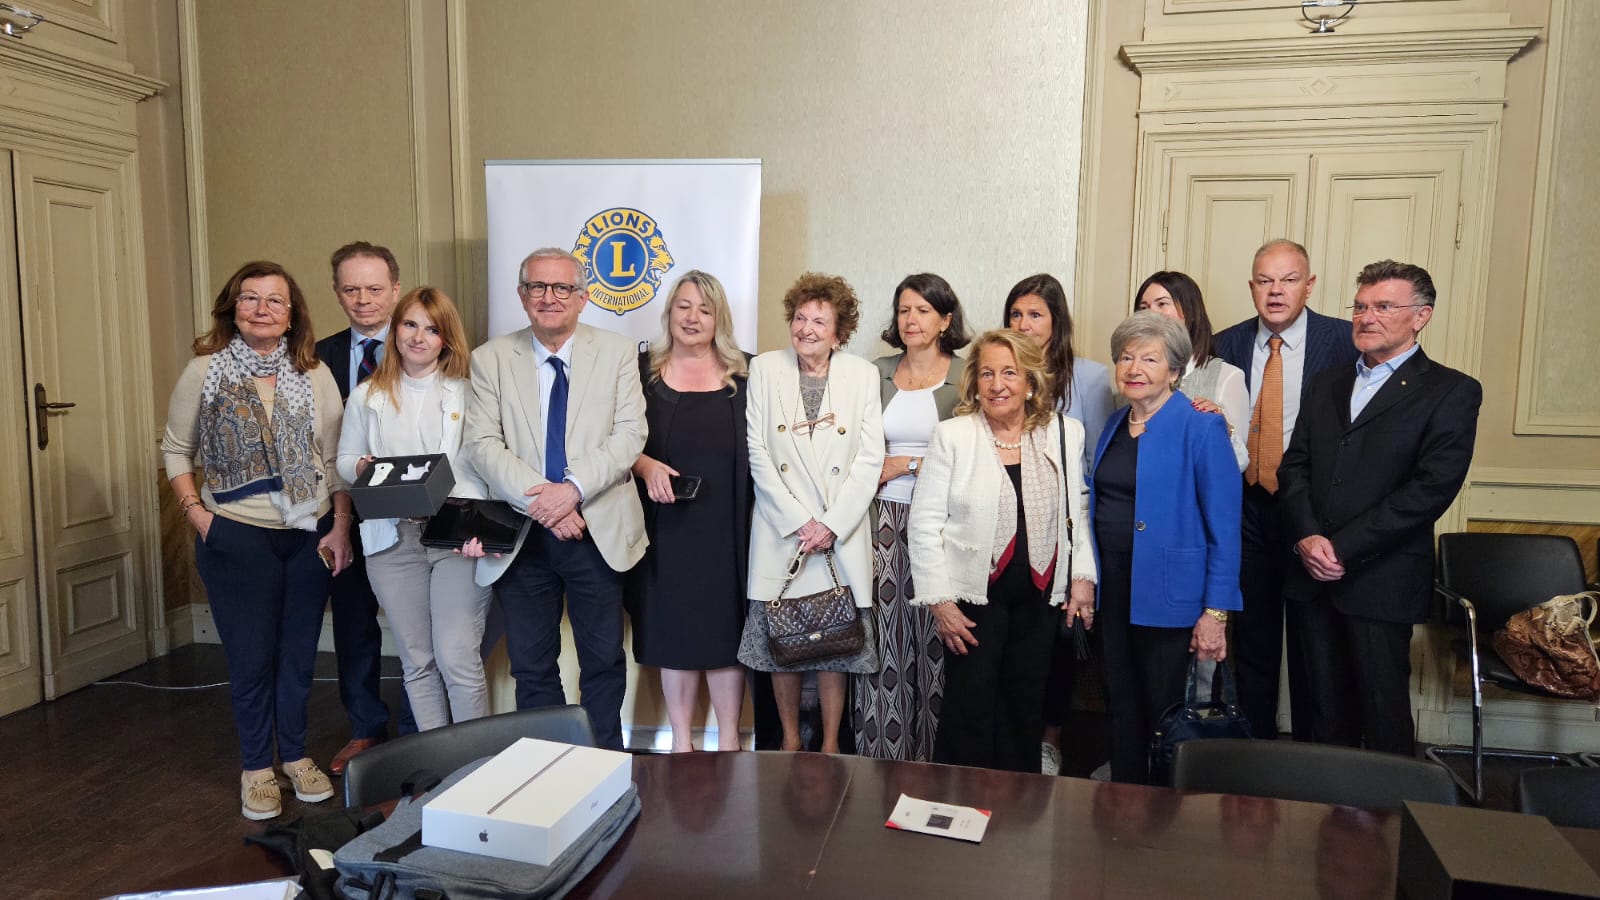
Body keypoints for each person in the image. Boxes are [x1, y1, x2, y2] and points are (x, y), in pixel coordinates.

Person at [163, 260, 347, 820]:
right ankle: (256, 768)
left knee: (297, 655)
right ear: (232, 309)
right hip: (235, 535)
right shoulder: (205, 371)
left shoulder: (313, 372)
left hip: (309, 533)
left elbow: (335, 457)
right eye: (250, 298)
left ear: (293, 316)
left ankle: (293, 756)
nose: (262, 309)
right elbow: (176, 447)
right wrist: (199, 516)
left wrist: (340, 524)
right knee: (249, 658)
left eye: (275, 300)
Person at [1279, 260, 1480, 756]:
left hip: (1380, 578)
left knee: (1382, 710)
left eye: (1384, 306)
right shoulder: (1326, 382)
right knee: (1323, 712)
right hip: (1311, 574)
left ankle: (1390, 826)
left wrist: (1340, 548)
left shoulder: (1451, 391)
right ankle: (1327, 825)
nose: (1367, 317)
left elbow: (1430, 490)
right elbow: (1294, 468)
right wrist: (1307, 537)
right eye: (1362, 306)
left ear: (1421, 316)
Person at [464, 247, 647, 751]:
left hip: (597, 529)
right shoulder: (490, 359)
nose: (550, 298)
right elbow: (480, 445)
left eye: (562, 288)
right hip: (522, 536)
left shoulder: (617, 353)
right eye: (538, 288)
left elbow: (630, 436)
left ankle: (605, 765)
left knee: (603, 660)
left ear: (583, 297)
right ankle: (548, 771)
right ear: (522, 296)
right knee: (531, 665)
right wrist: (543, 503)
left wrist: (571, 493)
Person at [907, 329, 1096, 772]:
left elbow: (1078, 513)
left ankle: (1014, 821)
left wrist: (1083, 578)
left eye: (1010, 373)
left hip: (1039, 601)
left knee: (1023, 710)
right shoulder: (953, 436)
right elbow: (924, 525)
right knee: (968, 712)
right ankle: (955, 810)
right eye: (987, 373)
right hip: (973, 604)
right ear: (974, 382)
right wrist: (940, 603)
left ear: (1031, 381)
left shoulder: (1064, 433)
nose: (998, 385)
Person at [337, 287, 517, 731]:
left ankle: (475, 767)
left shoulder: (470, 393)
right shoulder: (366, 396)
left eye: (432, 329)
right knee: (417, 661)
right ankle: (438, 766)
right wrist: (361, 466)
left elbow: (490, 465)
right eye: (410, 325)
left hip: (454, 539)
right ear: (395, 330)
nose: (419, 337)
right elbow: (343, 461)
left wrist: (485, 532)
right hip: (391, 541)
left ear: (446, 339)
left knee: (456, 656)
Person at [1088, 311, 1241, 784]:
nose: (1134, 368)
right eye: (1126, 357)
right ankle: (1126, 798)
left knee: (1166, 711)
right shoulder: (1115, 423)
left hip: (1172, 595)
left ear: (1175, 370)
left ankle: (1167, 813)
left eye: (1149, 359)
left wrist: (1215, 614)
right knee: (1120, 701)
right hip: (1113, 590)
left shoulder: (1201, 426)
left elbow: (1225, 528)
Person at [1213, 239, 1357, 740]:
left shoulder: (1342, 341)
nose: (1276, 291)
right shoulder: (1224, 343)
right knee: (1252, 635)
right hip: (1245, 507)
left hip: (1312, 512)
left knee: (1312, 642)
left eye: (1288, 279)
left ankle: (1315, 756)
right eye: (1265, 280)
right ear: (1252, 286)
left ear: (1309, 285)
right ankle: (1253, 750)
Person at [739, 272, 884, 754]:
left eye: (820, 321)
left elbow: (868, 458)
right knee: (783, 642)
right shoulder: (764, 368)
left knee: (833, 643)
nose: (807, 329)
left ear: (839, 332)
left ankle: (828, 745)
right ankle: (787, 741)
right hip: (783, 529)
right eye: (800, 318)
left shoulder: (863, 375)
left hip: (838, 531)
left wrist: (830, 524)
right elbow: (758, 452)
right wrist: (800, 521)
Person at [626, 270, 752, 753]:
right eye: (683, 306)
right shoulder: (640, 372)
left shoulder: (748, 374)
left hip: (729, 528)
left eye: (704, 308)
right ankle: (680, 742)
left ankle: (728, 744)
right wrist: (644, 464)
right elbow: (612, 439)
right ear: (668, 312)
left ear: (719, 316)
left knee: (726, 631)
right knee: (672, 630)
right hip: (663, 527)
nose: (692, 317)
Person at [853, 273, 971, 761]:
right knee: (884, 635)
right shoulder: (873, 372)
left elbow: (974, 453)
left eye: (923, 310)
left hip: (943, 523)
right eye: (904, 310)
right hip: (880, 520)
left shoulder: (967, 374)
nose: (911, 320)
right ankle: (883, 755)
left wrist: (906, 463)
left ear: (945, 320)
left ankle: (936, 757)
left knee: (936, 634)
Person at [1001, 273, 1114, 775]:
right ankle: (1012, 738)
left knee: (1060, 639)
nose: (1024, 325)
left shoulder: (1088, 377)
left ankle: (1050, 740)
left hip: (1068, 527)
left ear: (1056, 322)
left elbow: (1096, 460)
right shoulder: (997, 369)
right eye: (1016, 315)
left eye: (1036, 315)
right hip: (1008, 528)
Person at [314, 241, 411, 774]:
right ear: (336, 293)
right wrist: (342, 520)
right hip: (342, 511)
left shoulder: (422, 345)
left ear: (395, 290)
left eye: (375, 289)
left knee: (422, 628)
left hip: (418, 512)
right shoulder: (316, 359)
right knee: (353, 620)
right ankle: (366, 728)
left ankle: (427, 731)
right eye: (351, 289)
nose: (363, 300)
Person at [1134, 270, 1249, 471]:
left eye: (1162, 304)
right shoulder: (1132, 376)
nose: (1151, 314)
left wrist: (1223, 428)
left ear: (1188, 312)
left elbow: (1237, 463)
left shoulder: (1228, 377)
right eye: (1144, 307)